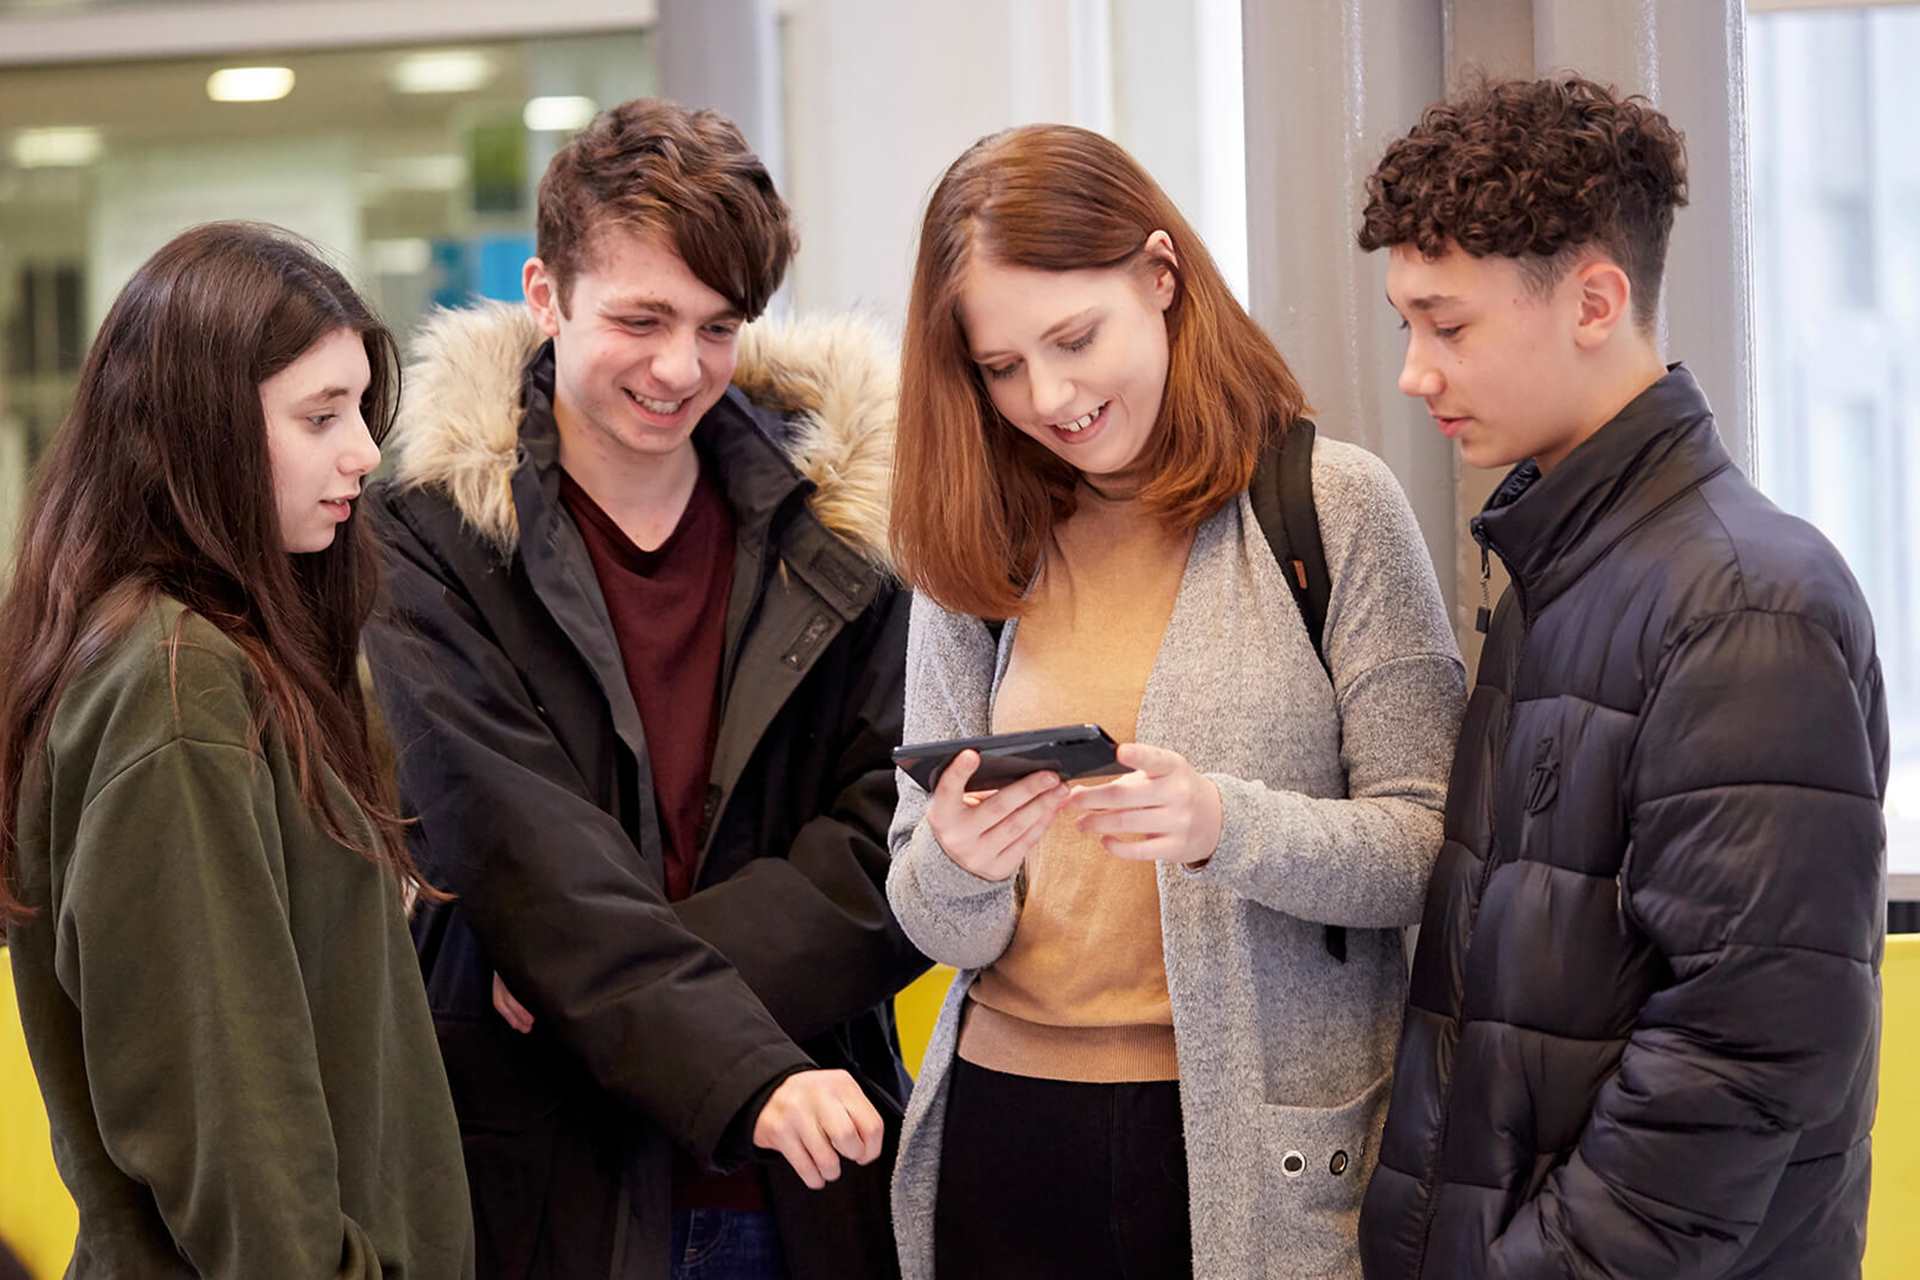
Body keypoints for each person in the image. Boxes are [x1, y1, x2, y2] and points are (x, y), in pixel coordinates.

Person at [883, 123, 1467, 1280]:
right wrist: (958, 859)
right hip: (1006, 1132)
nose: (1048, 396)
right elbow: (930, 917)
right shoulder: (976, 546)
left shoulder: (1330, 506)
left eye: (1074, 337)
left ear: (1161, 275)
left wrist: (1225, 825)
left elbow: (1430, 846)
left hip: (1253, 1148)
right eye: (1001, 367)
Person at [360, 98, 927, 1280]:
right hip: (543, 1180)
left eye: (719, 326)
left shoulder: (846, 525)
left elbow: (894, 842)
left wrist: (600, 985)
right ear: (545, 293)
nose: (681, 368)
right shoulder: (431, 536)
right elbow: (521, 858)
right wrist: (738, 1061)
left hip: (808, 1172)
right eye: (641, 318)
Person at [1355, 76, 1887, 1279]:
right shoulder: (1568, 566)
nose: (1415, 373)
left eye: (1449, 324)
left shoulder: (1748, 603)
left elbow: (1747, 1051)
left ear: (1595, 298)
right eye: (1405, 325)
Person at [0, 221, 473, 1278]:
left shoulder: (205, 653)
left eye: (360, 408)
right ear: (198, 429)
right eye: (319, 415)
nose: (361, 450)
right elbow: (226, 1112)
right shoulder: (177, 681)